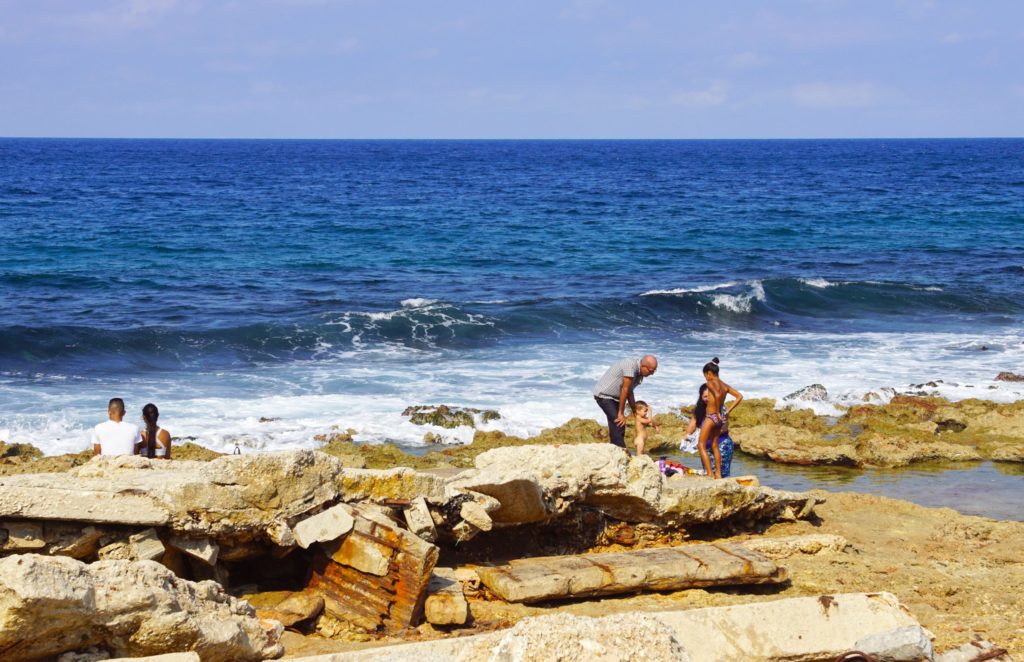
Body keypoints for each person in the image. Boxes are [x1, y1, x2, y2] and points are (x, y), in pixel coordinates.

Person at [593, 355, 658, 450]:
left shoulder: (639, 373)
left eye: (654, 371)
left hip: (616, 398)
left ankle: (614, 451)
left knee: (615, 425)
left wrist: (635, 412)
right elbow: (625, 389)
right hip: (604, 396)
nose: (652, 374)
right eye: (651, 371)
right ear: (643, 366)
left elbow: (630, 392)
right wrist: (620, 413)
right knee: (619, 424)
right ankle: (621, 452)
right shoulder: (630, 366)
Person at [696, 358, 743, 478]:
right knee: (715, 445)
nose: (706, 378)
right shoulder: (724, 385)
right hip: (719, 419)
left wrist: (716, 412)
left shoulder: (709, 383)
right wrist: (727, 411)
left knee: (701, 445)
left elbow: (716, 395)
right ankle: (718, 474)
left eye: (705, 375)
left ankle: (710, 474)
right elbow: (739, 396)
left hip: (711, 417)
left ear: (709, 373)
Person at [685, 383, 736, 478]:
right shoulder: (699, 410)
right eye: (705, 396)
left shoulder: (721, 408)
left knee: (722, 474)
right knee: (709, 474)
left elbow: (723, 427)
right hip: (706, 448)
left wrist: (704, 435)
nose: (708, 399)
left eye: (710, 396)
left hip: (722, 444)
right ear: (701, 397)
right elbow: (692, 425)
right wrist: (688, 435)